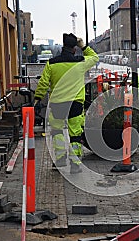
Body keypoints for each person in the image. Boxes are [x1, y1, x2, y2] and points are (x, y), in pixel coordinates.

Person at [34, 33, 99, 173]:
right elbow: (95, 58)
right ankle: (75, 164)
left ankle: (60, 160)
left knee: (57, 131)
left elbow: (43, 83)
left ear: (63, 47)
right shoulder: (80, 62)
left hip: (57, 103)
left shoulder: (51, 63)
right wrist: (84, 46)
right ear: (74, 49)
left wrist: (37, 99)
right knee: (75, 133)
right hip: (75, 104)